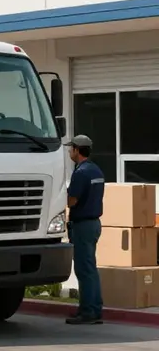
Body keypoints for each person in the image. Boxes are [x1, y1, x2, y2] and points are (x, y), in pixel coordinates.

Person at [64, 134, 105, 325]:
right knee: (90, 268)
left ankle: (88, 311)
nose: (69, 151)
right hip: (94, 224)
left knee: (83, 269)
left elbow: (72, 200)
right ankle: (93, 309)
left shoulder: (80, 173)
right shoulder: (96, 170)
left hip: (82, 225)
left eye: (71, 148)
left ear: (77, 150)